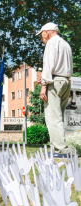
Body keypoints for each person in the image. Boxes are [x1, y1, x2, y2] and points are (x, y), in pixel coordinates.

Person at [36, 22, 73, 156]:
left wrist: (44, 85)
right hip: (65, 81)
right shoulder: (66, 44)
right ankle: (56, 146)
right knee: (59, 116)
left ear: (47, 32)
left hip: (55, 82)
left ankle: (60, 149)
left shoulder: (51, 43)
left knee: (53, 117)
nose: (42, 38)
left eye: (42, 34)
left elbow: (49, 64)